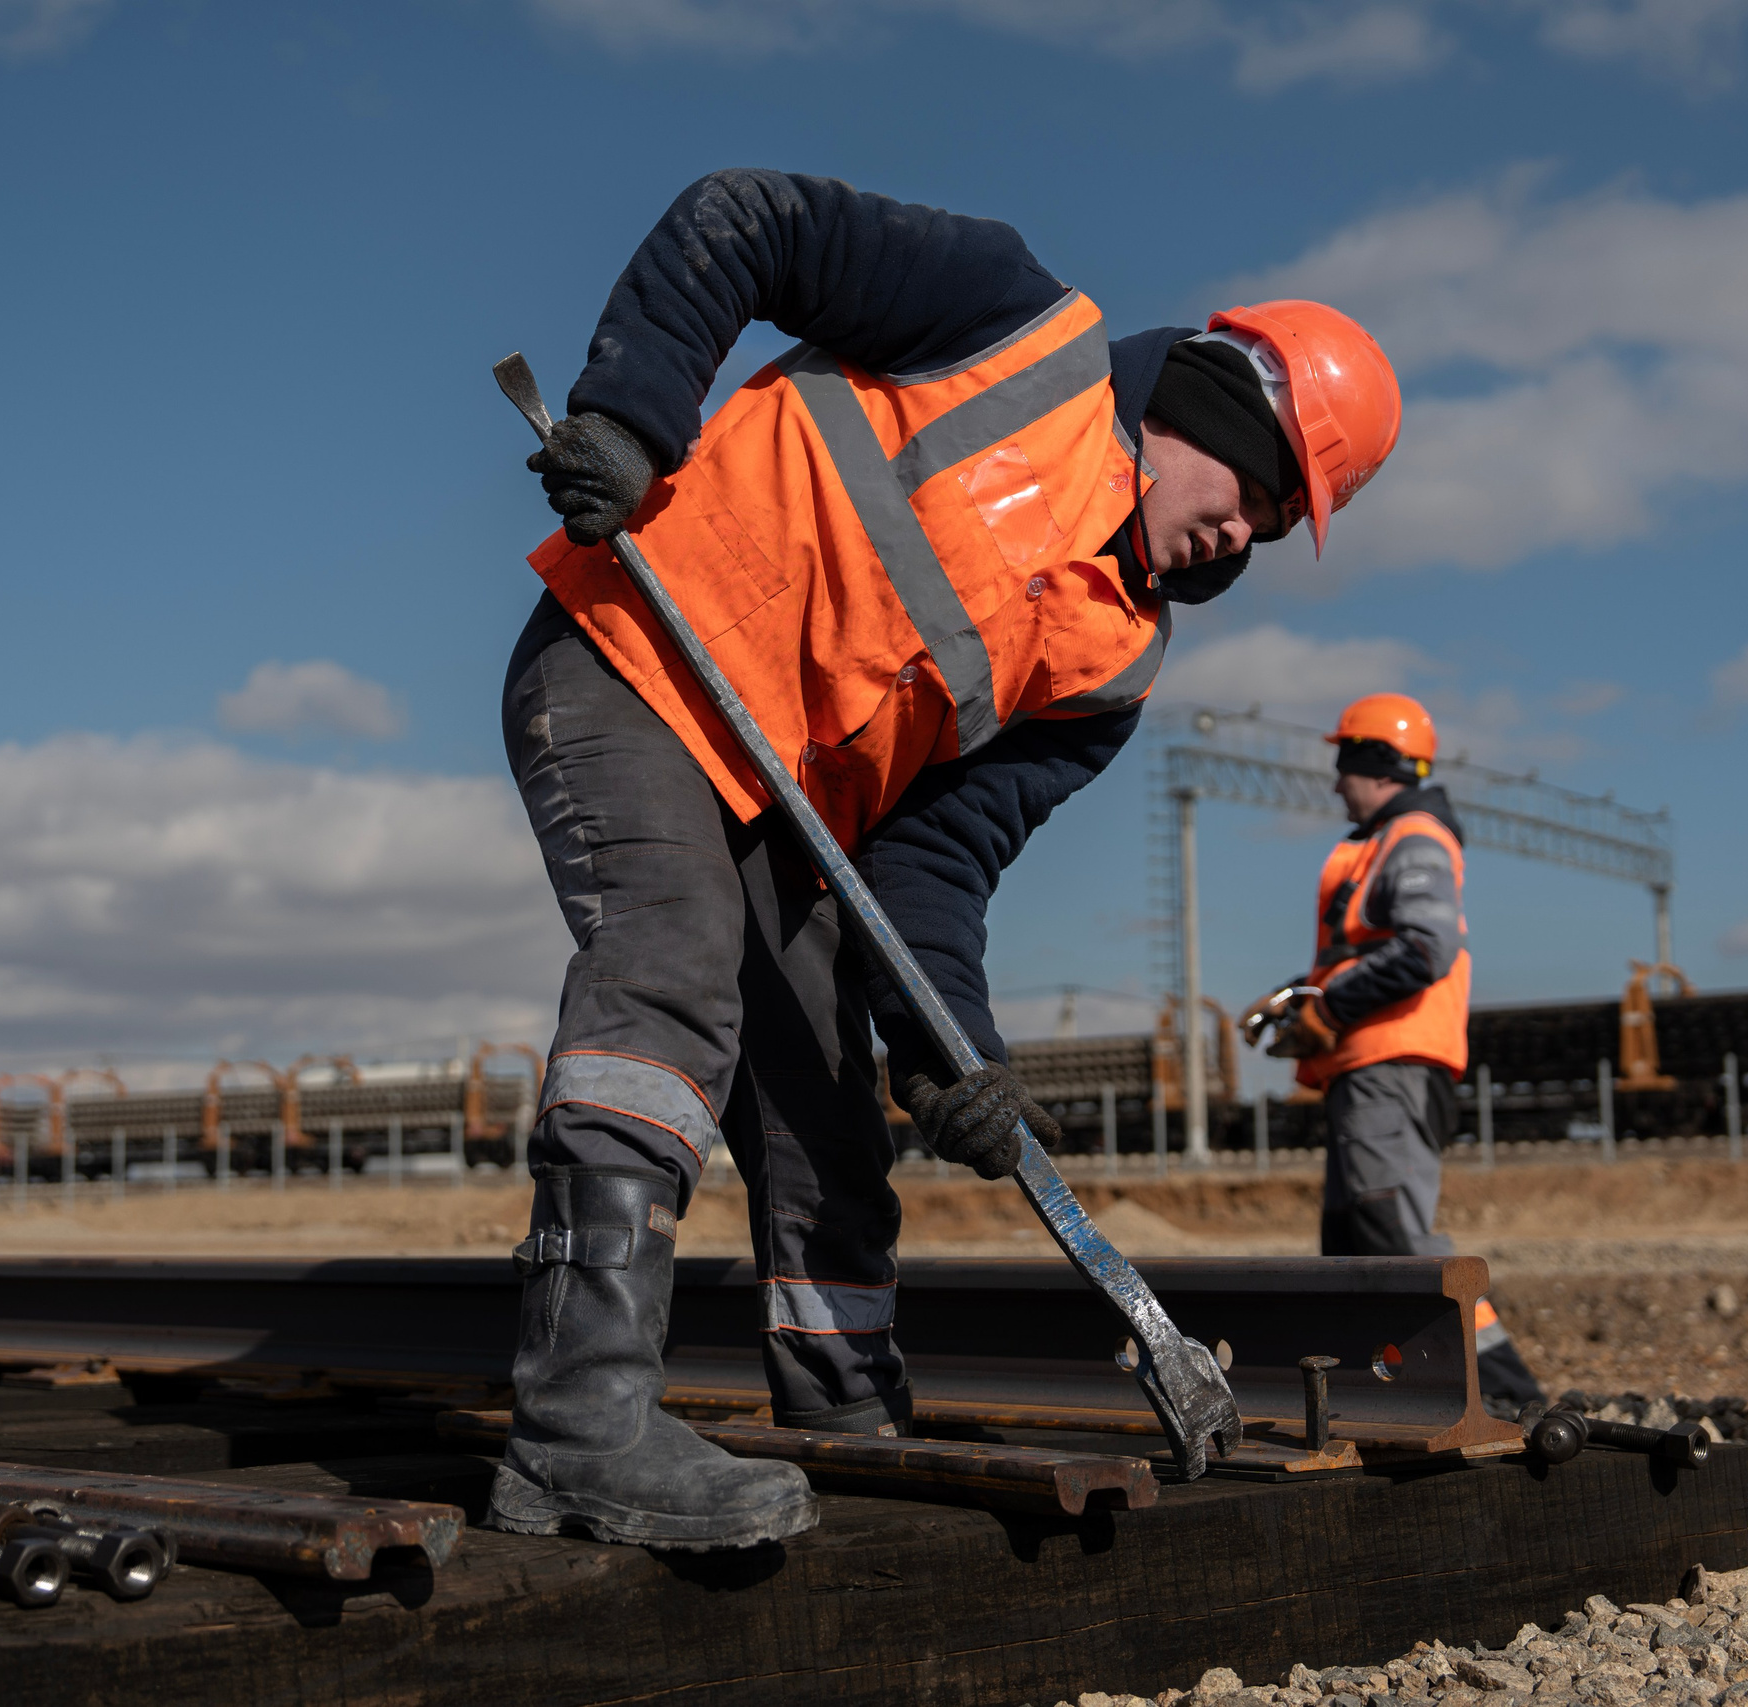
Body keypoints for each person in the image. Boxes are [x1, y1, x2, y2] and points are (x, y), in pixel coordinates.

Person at [494, 169, 1404, 1549]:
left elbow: (932, 866)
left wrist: (951, 1051)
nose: (1251, 532)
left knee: (829, 1121)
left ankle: (849, 1419)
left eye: (1278, 527)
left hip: (773, 803)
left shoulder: (1115, 665)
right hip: (633, 661)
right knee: (670, 968)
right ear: (1213, 405)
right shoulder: (1009, 323)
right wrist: (632, 418)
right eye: (1262, 490)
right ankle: (577, 1429)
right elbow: (750, 220)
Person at [1241, 693, 1544, 1410]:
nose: (1334, 784)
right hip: (1371, 1066)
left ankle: (1508, 1396)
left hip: (1392, 1065)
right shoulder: (1387, 841)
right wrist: (1307, 996)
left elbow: (1426, 948)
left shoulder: (1413, 837)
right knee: (1353, 1243)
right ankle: (1378, 1400)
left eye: (1342, 766)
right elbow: (1374, 949)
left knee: (1394, 1236)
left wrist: (1329, 1007)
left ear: (1376, 762)